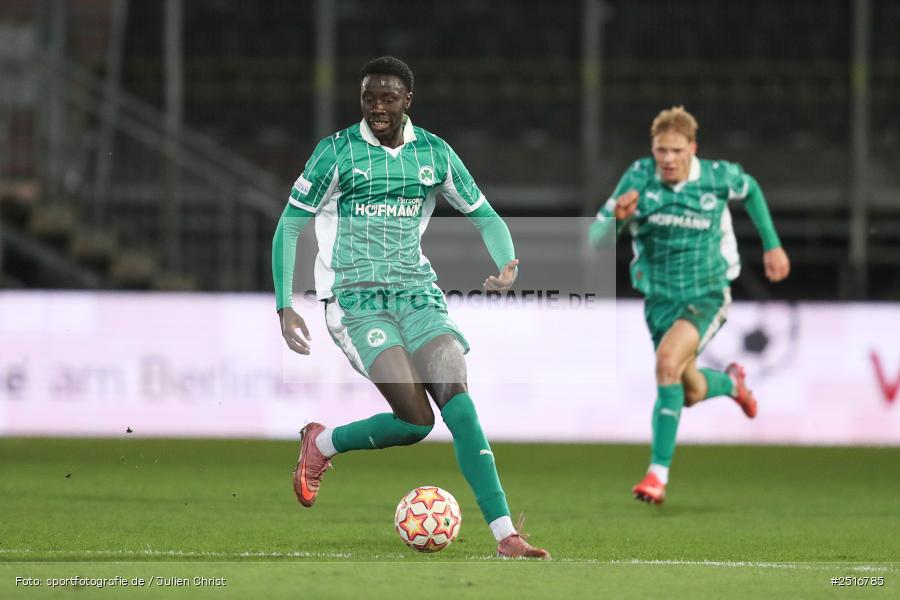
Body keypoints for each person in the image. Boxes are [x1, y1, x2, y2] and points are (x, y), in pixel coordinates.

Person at [272, 56, 549, 558]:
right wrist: (284, 304)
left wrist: (507, 260)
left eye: (387, 98)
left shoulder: (435, 154)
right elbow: (289, 225)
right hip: (356, 303)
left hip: (419, 296)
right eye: (368, 98)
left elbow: (484, 214)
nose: (377, 107)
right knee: (416, 420)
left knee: (460, 408)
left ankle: (506, 534)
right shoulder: (335, 153)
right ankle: (322, 443)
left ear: (407, 101)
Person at [589, 106, 790, 505]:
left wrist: (772, 244)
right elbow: (594, 240)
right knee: (690, 389)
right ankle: (731, 383)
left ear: (692, 149)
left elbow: (750, 188)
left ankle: (656, 475)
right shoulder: (637, 178)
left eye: (676, 151)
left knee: (666, 364)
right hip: (660, 299)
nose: (667, 159)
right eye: (661, 150)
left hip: (707, 293)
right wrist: (617, 219)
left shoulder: (715, 178)